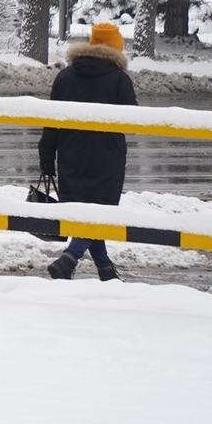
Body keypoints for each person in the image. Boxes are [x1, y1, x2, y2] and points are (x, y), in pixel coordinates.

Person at [39, 23, 137, 281]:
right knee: (99, 213)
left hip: (71, 155)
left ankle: (105, 269)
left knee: (83, 213)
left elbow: (52, 121)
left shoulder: (66, 76)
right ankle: (69, 259)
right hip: (107, 159)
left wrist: (47, 156)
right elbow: (134, 120)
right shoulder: (119, 79)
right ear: (116, 48)